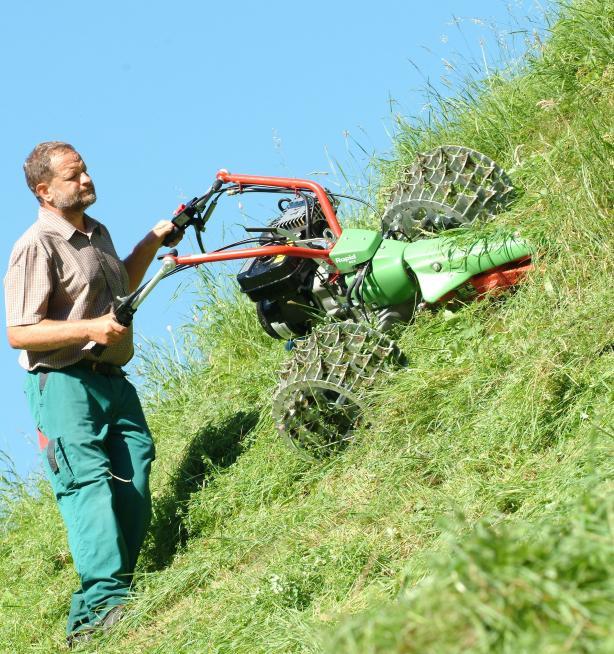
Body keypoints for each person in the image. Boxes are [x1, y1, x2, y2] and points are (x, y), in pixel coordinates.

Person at [3, 141, 182, 646]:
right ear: (44, 190)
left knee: (136, 468)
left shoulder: (96, 233)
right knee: (87, 484)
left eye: (85, 171)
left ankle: (111, 596)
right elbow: (19, 331)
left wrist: (154, 239)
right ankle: (101, 605)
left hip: (111, 381)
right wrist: (92, 326)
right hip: (62, 384)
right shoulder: (36, 245)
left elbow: (119, 286)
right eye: (73, 175)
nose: (85, 180)